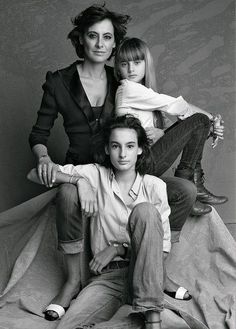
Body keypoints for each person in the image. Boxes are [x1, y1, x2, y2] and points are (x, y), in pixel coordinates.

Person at [28, 4, 196, 321]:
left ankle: (159, 271)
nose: (101, 44)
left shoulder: (121, 79)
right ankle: (72, 280)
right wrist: (45, 157)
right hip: (85, 171)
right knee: (66, 194)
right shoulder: (58, 82)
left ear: (114, 42)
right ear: (81, 40)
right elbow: (39, 133)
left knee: (184, 190)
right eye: (93, 36)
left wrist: (201, 124)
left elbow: (153, 115)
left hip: (127, 169)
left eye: (108, 37)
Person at [28, 114, 186, 329]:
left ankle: (152, 319)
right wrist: (78, 181)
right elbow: (34, 175)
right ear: (106, 149)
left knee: (145, 211)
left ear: (140, 149)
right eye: (115, 146)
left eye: (130, 146)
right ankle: (136, 322)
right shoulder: (95, 174)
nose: (122, 154)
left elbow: (162, 252)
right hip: (106, 278)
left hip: (144, 276)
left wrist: (119, 249)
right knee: (69, 327)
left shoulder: (155, 186)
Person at [114, 37, 228, 213]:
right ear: (118, 68)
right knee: (199, 120)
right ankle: (190, 183)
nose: (130, 69)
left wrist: (161, 132)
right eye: (124, 63)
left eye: (137, 62)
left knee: (199, 122)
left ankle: (193, 183)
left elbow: (175, 130)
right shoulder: (128, 89)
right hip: (137, 165)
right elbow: (177, 106)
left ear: (146, 63)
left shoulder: (145, 95)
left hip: (147, 160)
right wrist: (212, 119)